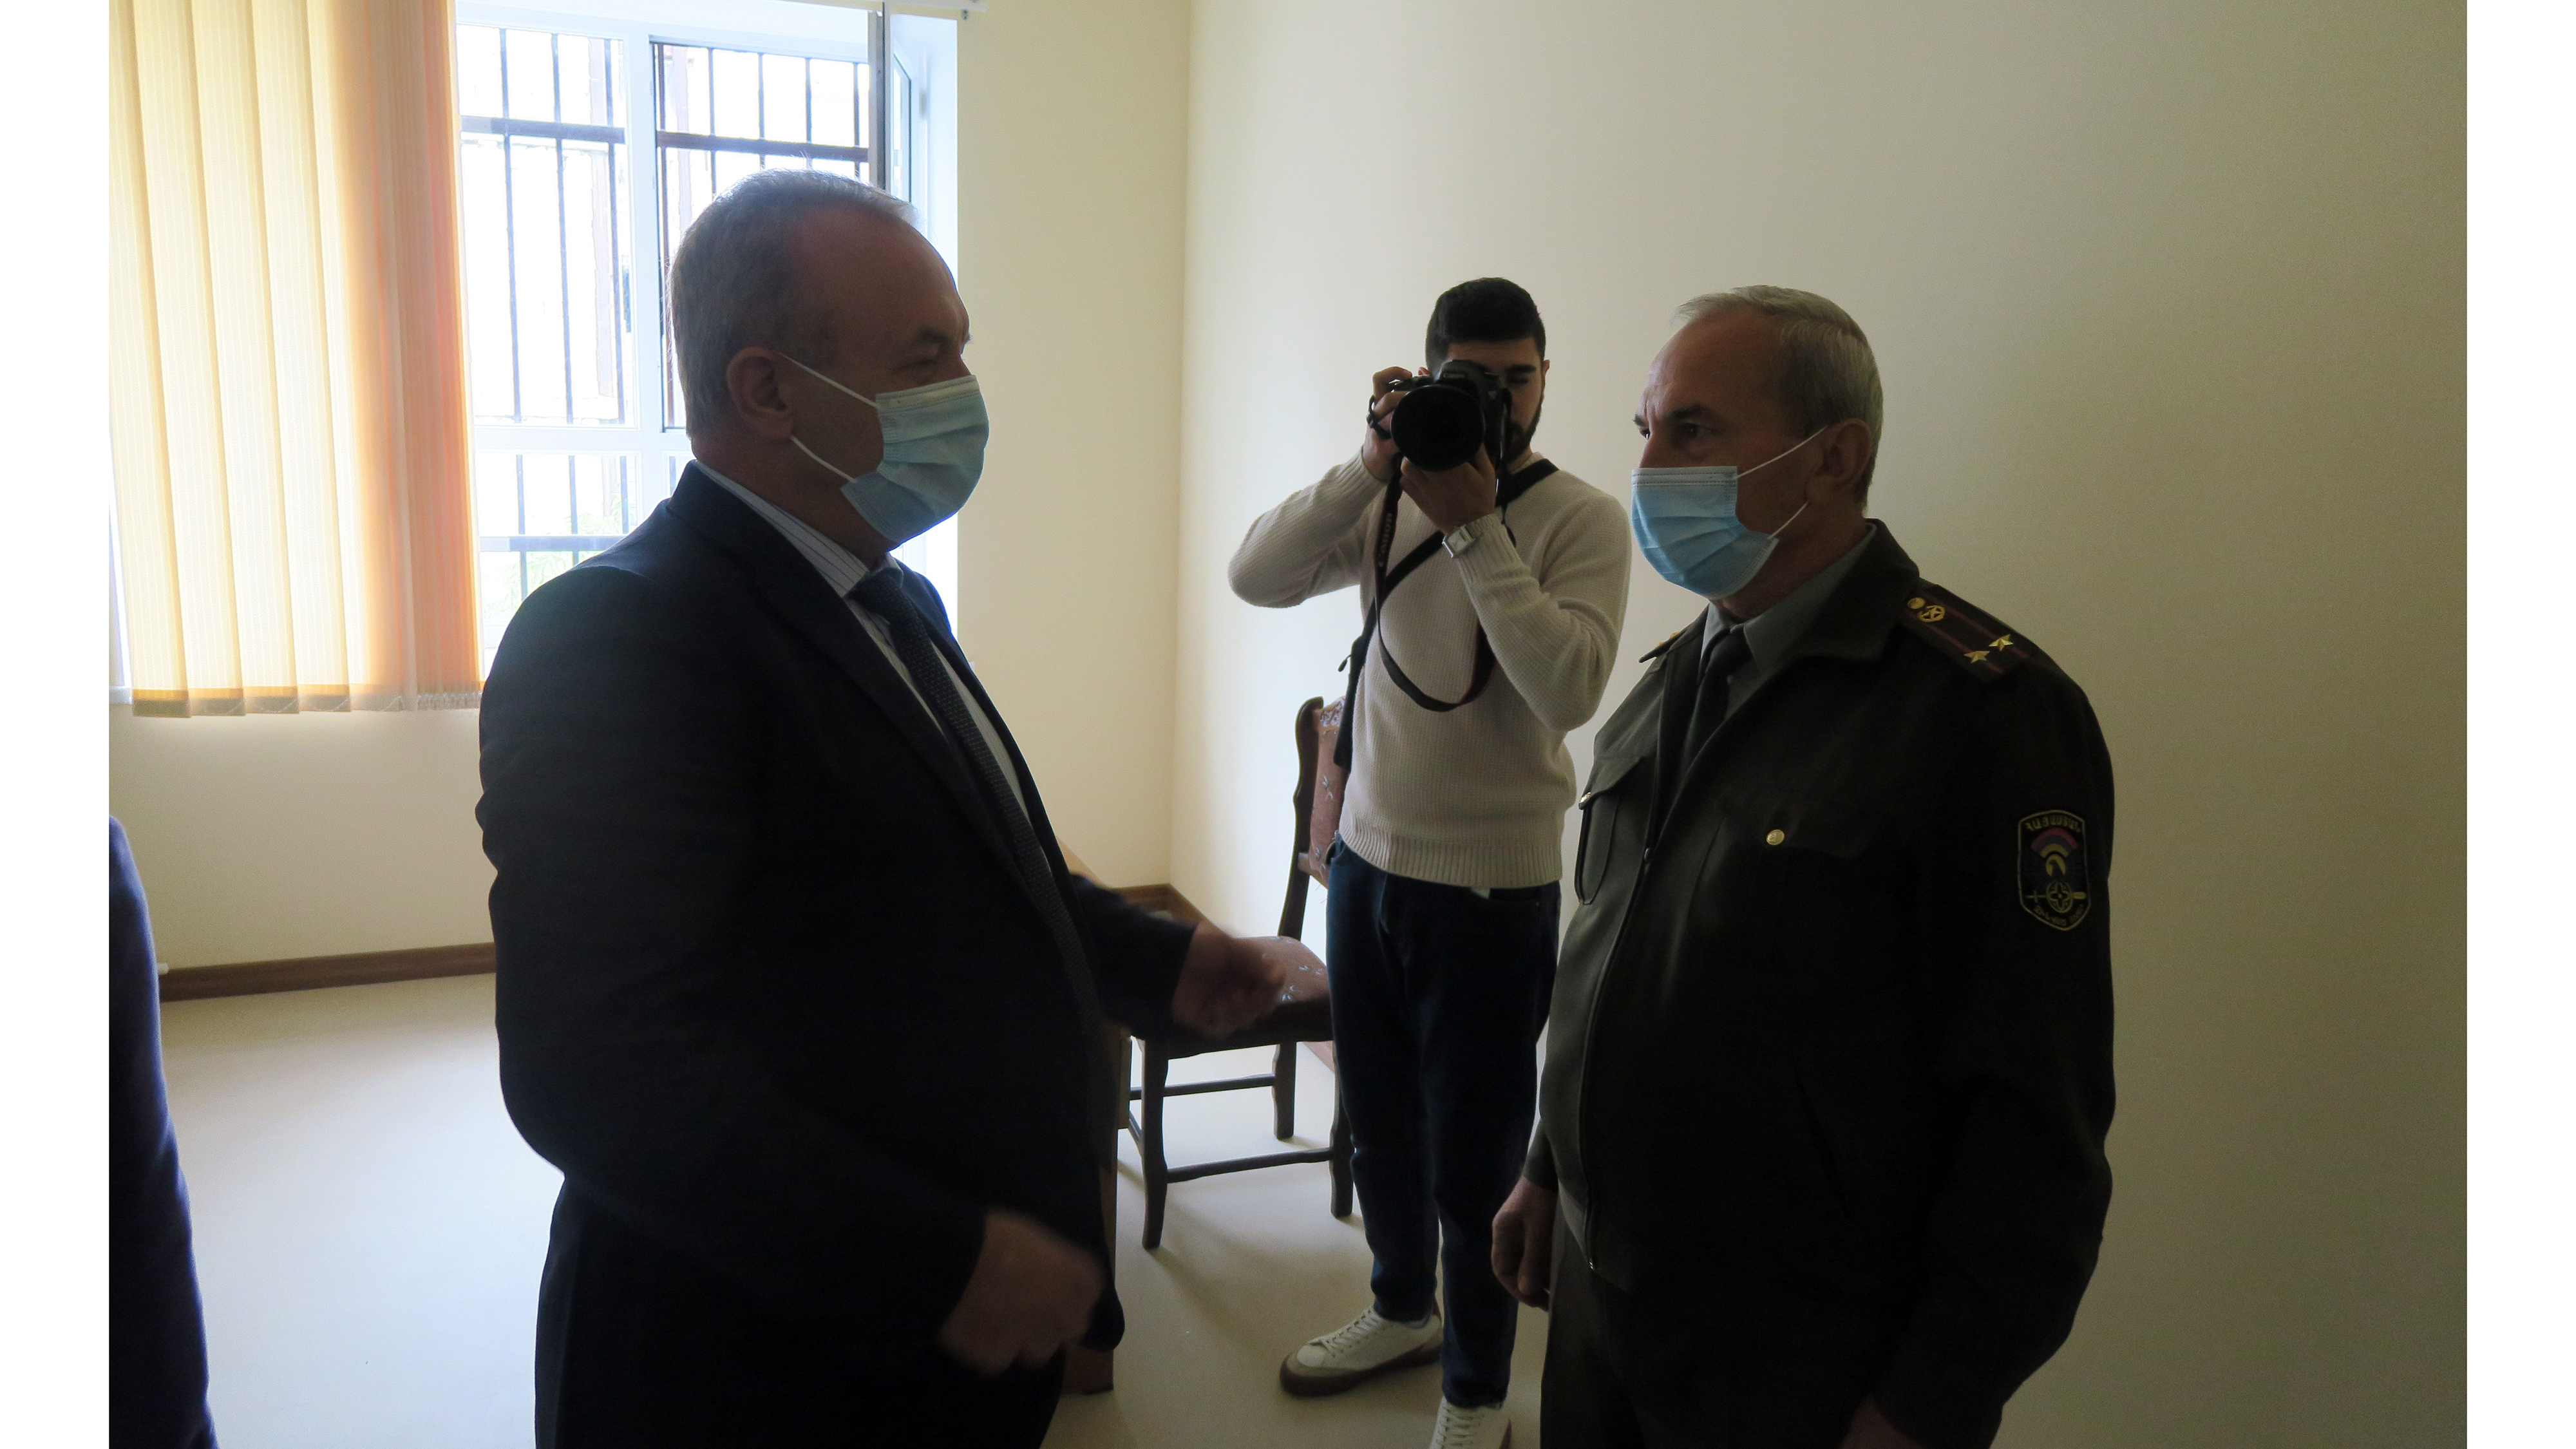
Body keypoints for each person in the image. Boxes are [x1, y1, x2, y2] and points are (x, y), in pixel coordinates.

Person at [478, 169, 1287, 1449]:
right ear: (768, 389)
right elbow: (595, 1068)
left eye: (961, 349)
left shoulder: (890, 595)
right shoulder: (617, 633)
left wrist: (1161, 959)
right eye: (925, 357)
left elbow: (982, 874)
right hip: (759, 1372)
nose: (965, 390)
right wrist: (937, 1261)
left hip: (941, 1368)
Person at [1489, 287, 2116, 1449]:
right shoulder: (1673, 677)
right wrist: (1548, 1167)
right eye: (1646, 430)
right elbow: (1617, 955)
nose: (1649, 469)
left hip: (1796, 1357)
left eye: (1693, 431)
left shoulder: (1981, 717)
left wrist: (1930, 1402)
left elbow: (2033, 1123)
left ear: (1836, 457)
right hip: (1603, 1307)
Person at [1230, 278, 1632, 1449]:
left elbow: (1566, 688)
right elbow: (1256, 574)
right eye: (1473, 379)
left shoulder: (1581, 519)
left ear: (1547, 380)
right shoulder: (1387, 494)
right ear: (1425, 377)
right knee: (1383, 1125)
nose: (1500, 400)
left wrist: (1473, 525)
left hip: (1493, 888)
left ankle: (1477, 1388)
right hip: (1367, 862)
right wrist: (1372, 462)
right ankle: (1402, 1306)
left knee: (1476, 1159)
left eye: (1519, 378)